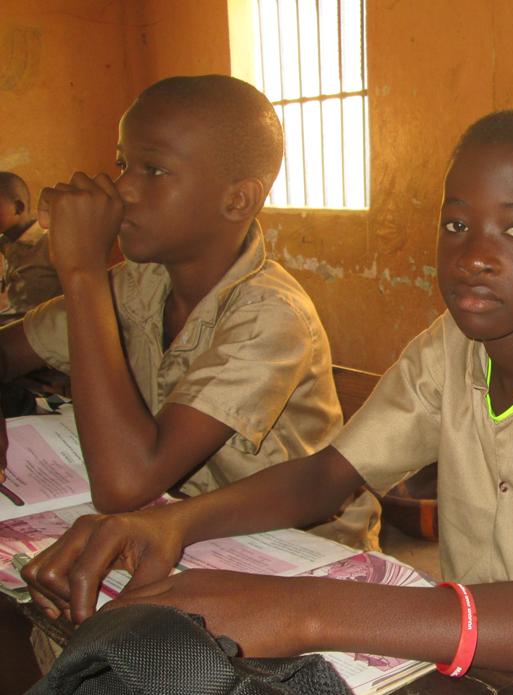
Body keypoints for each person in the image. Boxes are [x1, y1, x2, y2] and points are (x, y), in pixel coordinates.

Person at [23, 110, 513, 695]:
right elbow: (330, 474)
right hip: (473, 652)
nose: (475, 254)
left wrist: (306, 610)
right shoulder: (449, 347)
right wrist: (173, 523)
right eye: (456, 225)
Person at [0, 76, 378, 550]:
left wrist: (81, 272)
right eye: (122, 164)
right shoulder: (137, 285)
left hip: (298, 554)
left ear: (237, 200)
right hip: (185, 532)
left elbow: (123, 486)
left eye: (154, 170)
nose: (122, 189)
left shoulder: (271, 316)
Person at [0, 171, 62, 315]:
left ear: (18, 208)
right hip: (20, 319)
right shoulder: (6, 243)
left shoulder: (51, 241)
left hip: (52, 320)